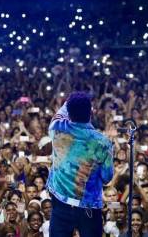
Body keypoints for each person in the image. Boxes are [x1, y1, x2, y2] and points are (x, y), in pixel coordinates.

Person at [46, 91, 114, 236]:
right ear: (91, 112)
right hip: (89, 207)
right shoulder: (103, 142)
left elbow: (60, 113)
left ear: (69, 113)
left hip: (60, 204)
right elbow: (107, 177)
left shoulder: (57, 128)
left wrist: (69, 101)